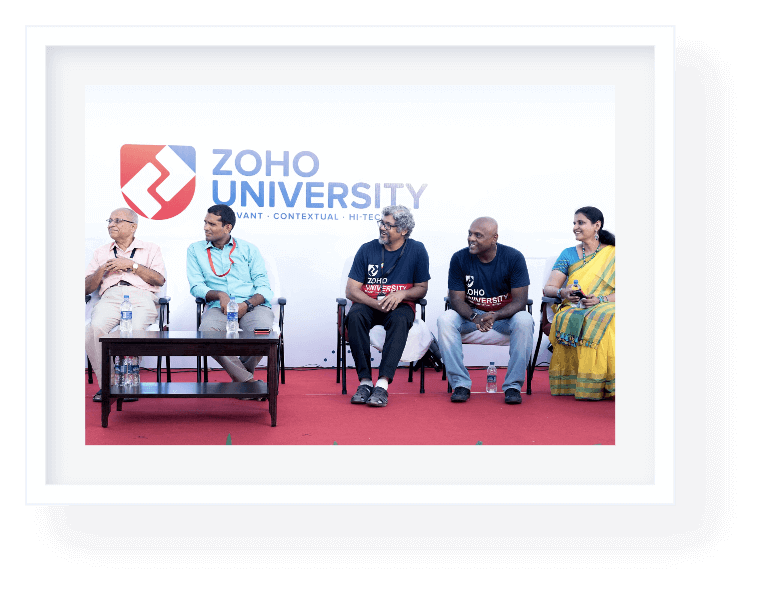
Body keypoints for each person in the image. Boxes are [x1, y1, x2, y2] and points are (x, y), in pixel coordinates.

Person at [436, 217, 534, 405]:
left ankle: (513, 386)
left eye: (478, 235)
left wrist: (496, 315)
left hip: (504, 318)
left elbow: (520, 301)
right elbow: (456, 299)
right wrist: (474, 317)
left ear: (494, 238)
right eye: (470, 233)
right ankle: (460, 384)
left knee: (524, 320)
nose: (471, 239)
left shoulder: (513, 258)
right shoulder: (459, 258)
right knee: (445, 319)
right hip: (471, 317)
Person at [346, 205, 430, 407]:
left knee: (400, 320)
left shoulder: (417, 250)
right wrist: (375, 303)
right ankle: (365, 382)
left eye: (388, 225)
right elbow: (351, 291)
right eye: (381, 223)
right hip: (369, 303)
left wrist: (402, 294)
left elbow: (422, 288)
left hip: (399, 305)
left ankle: (382, 385)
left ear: (404, 230)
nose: (382, 228)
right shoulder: (367, 249)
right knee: (355, 316)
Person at [186, 204, 275, 386]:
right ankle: (247, 382)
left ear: (227, 227)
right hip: (219, 307)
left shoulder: (249, 249)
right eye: (205, 222)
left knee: (263, 333)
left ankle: (241, 378)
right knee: (207, 335)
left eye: (212, 224)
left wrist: (247, 305)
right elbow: (196, 286)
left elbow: (264, 287)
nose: (205, 227)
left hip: (252, 305)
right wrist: (220, 295)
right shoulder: (195, 250)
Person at [85, 207, 167, 402]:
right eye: (109, 221)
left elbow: (159, 279)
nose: (111, 225)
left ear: (133, 227)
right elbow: (86, 288)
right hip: (111, 296)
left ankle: (127, 383)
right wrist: (101, 271)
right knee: (94, 329)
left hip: (141, 297)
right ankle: (108, 384)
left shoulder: (151, 249)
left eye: (117, 220)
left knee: (133, 330)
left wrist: (132, 265)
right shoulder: (101, 252)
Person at [542, 206, 615, 400]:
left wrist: (600, 299)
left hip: (609, 304)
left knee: (607, 316)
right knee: (576, 316)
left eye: (580, 222)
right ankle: (587, 383)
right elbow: (549, 288)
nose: (575, 227)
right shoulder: (568, 254)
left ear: (597, 225)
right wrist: (564, 292)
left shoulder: (614, 254)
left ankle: (609, 382)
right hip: (576, 306)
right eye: (574, 223)